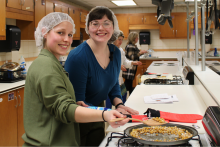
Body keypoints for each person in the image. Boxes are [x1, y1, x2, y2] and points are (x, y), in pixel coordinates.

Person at [22, 12, 129, 146]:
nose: (66, 39)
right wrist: (105, 114)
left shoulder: (52, 63)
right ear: (44, 32)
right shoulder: (46, 66)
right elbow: (65, 108)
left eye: (70, 34)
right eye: (60, 33)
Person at [65, 6, 139, 146]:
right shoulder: (78, 57)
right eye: (95, 23)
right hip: (79, 121)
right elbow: (77, 103)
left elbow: (113, 82)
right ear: (88, 27)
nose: (101, 28)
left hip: (98, 115)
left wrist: (119, 104)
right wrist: (106, 113)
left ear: (113, 27)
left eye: (106, 23)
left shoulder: (115, 53)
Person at [106, 31, 142, 109]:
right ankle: (108, 114)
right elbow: (106, 64)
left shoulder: (121, 50)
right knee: (109, 98)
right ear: (114, 39)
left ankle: (121, 112)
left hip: (120, 79)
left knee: (123, 95)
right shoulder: (108, 49)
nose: (121, 42)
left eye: (122, 39)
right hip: (110, 80)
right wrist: (119, 67)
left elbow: (125, 61)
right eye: (119, 39)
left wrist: (133, 62)